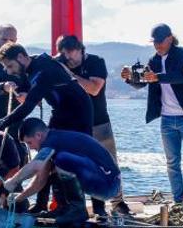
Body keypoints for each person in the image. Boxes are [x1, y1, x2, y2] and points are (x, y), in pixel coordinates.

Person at [0, 42, 94, 215]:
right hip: (61, 113)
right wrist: (22, 90)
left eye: (10, 65)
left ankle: (76, 209)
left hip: (77, 116)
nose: (9, 71)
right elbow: (34, 90)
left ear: (21, 57)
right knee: (46, 157)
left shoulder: (43, 70)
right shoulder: (34, 66)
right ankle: (46, 205)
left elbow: (29, 106)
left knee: (62, 159)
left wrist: (0, 123)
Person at [121, 23, 183, 205]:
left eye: (160, 41)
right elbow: (144, 82)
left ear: (169, 38)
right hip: (167, 119)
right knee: (172, 164)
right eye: (154, 42)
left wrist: (158, 77)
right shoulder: (153, 60)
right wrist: (129, 78)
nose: (157, 45)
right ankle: (178, 202)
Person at [56, 35, 131, 218]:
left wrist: (69, 74)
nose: (68, 58)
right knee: (77, 165)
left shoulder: (96, 62)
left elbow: (94, 88)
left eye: (71, 53)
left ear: (81, 49)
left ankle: (117, 202)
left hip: (99, 122)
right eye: (64, 55)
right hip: (73, 124)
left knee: (108, 162)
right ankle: (86, 206)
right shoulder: (58, 64)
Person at [0, 118, 121, 227]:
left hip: (109, 184)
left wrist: (11, 182)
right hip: (101, 181)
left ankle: (77, 211)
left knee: (62, 159)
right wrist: (17, 198)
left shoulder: (52, 141)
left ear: (39, 135)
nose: (31, 148)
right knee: (56, 162)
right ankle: (63, 208)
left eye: (30, 143)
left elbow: (35, 166)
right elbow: (40, 181)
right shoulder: (53, 145)